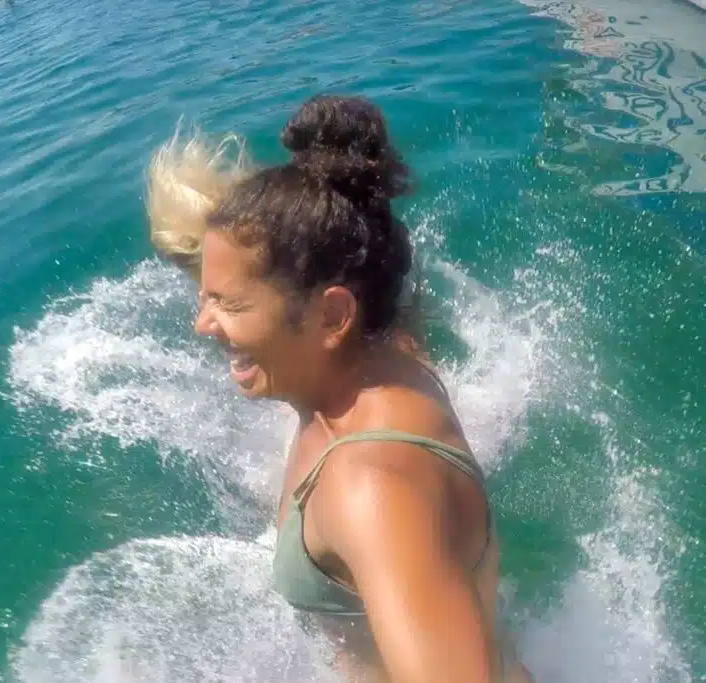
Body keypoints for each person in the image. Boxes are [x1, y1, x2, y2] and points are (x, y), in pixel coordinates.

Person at [144, 95, 535, 683]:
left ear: (331, 316)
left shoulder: (371, 487)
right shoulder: (376, 359)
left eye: (228, 303)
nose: (201, 324)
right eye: (205, 295)